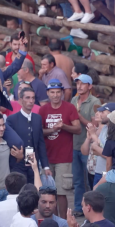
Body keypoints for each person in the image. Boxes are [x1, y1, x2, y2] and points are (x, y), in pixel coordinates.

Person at [39, 79, 81, 219]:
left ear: (62, 93)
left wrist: (64, 126)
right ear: (48, 93)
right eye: (52, 92)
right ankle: (52, 220)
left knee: (62, 192)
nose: (55, 95)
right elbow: (39, 132)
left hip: (64, 157)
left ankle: (63, 222)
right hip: (47, 157)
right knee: (48, 192)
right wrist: (53, 129)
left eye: (58, 92)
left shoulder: (69, 108)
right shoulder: (43, 109)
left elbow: (78, 129)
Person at [70, 74, 100, 216]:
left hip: (88, 147)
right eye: (78, 83)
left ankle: (90, 208)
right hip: (74, 145)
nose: (79, 86)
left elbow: (94, 126)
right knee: (77, 180)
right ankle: (78, 207)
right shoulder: (73, 99)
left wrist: (78, 116)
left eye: (83, 83)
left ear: (90, 86)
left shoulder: (95, 101)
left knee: (88, 180)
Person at [6, 88, 51, 182]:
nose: (31, 101)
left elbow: (40, 143)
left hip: (33, 162)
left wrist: (45, 166)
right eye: (28, 98)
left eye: (33, 98)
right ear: (21, 100)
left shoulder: (37, 118)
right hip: (17, 163)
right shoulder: (12, 119)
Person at [82, 103, 115, 187]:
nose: (98, 114)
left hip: (106, 172)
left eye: (102, 112)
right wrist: (89, 138)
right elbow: (86, 151)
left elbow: (107, 152)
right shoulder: (105, 128)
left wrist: (94, 142)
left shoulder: (114, 131)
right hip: (95, 171)